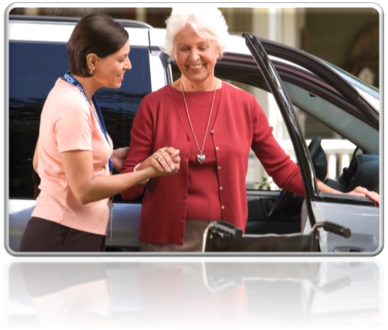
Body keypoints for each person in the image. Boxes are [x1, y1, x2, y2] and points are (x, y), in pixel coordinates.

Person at [120, 8, 379, 252]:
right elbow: (128, 189)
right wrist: (147, 168)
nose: (194, 57)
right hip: (165, 248)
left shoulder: (245, 105)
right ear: (173, 52)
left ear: (219, 50)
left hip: (227, 248)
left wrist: (342, 195)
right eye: (184, 48)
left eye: (202, 47)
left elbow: (284, 171)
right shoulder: (153, 106)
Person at [20, 14, 180, 252]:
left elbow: (40, 160)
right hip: (65, 238)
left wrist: (115, 157)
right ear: (93, 61)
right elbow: (84, 190)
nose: (129, 65)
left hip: (68, 235)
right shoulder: (73, 105)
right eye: (122, 58)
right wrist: (147, 171)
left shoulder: (70, 92)